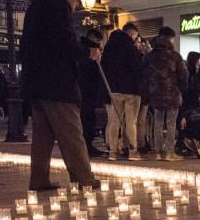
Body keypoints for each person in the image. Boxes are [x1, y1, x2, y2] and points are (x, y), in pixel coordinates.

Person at [19, 0, 99, 191]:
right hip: (57, 83)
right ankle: (84, 178)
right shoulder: (57, 8)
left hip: (36, 83)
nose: (76, 4)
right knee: (71, 133)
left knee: (42, 137)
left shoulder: (36, 7)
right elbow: (64, 42)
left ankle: (39, 179)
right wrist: (87, 53)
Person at [141, 28, 188, 161]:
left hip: (155, 93)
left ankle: (158, 152)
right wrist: (181, 88)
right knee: (171, 122)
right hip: (172, 93)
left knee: (158, 122)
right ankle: (169, 152)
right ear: (170, 38)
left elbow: (143, 75)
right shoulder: (175, 56)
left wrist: (148, 91)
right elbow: (183, 75)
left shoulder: (149, 56)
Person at [101, 22, 145, 161]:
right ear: (132, 33)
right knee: (131, 122)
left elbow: (103, 67)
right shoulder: (130, 47)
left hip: (114, 90)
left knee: (114, 121)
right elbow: (137, 68)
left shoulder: (109, 47)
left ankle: (112, 152)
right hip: (131, 90)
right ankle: (133, 151)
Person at [77, 28, 108, 158]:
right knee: (86, 119)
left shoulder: (88, 50)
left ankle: (88, 145)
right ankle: (86, 146)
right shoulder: (84, 50)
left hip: (89, 90)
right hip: (85, 90)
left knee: (89, 119)